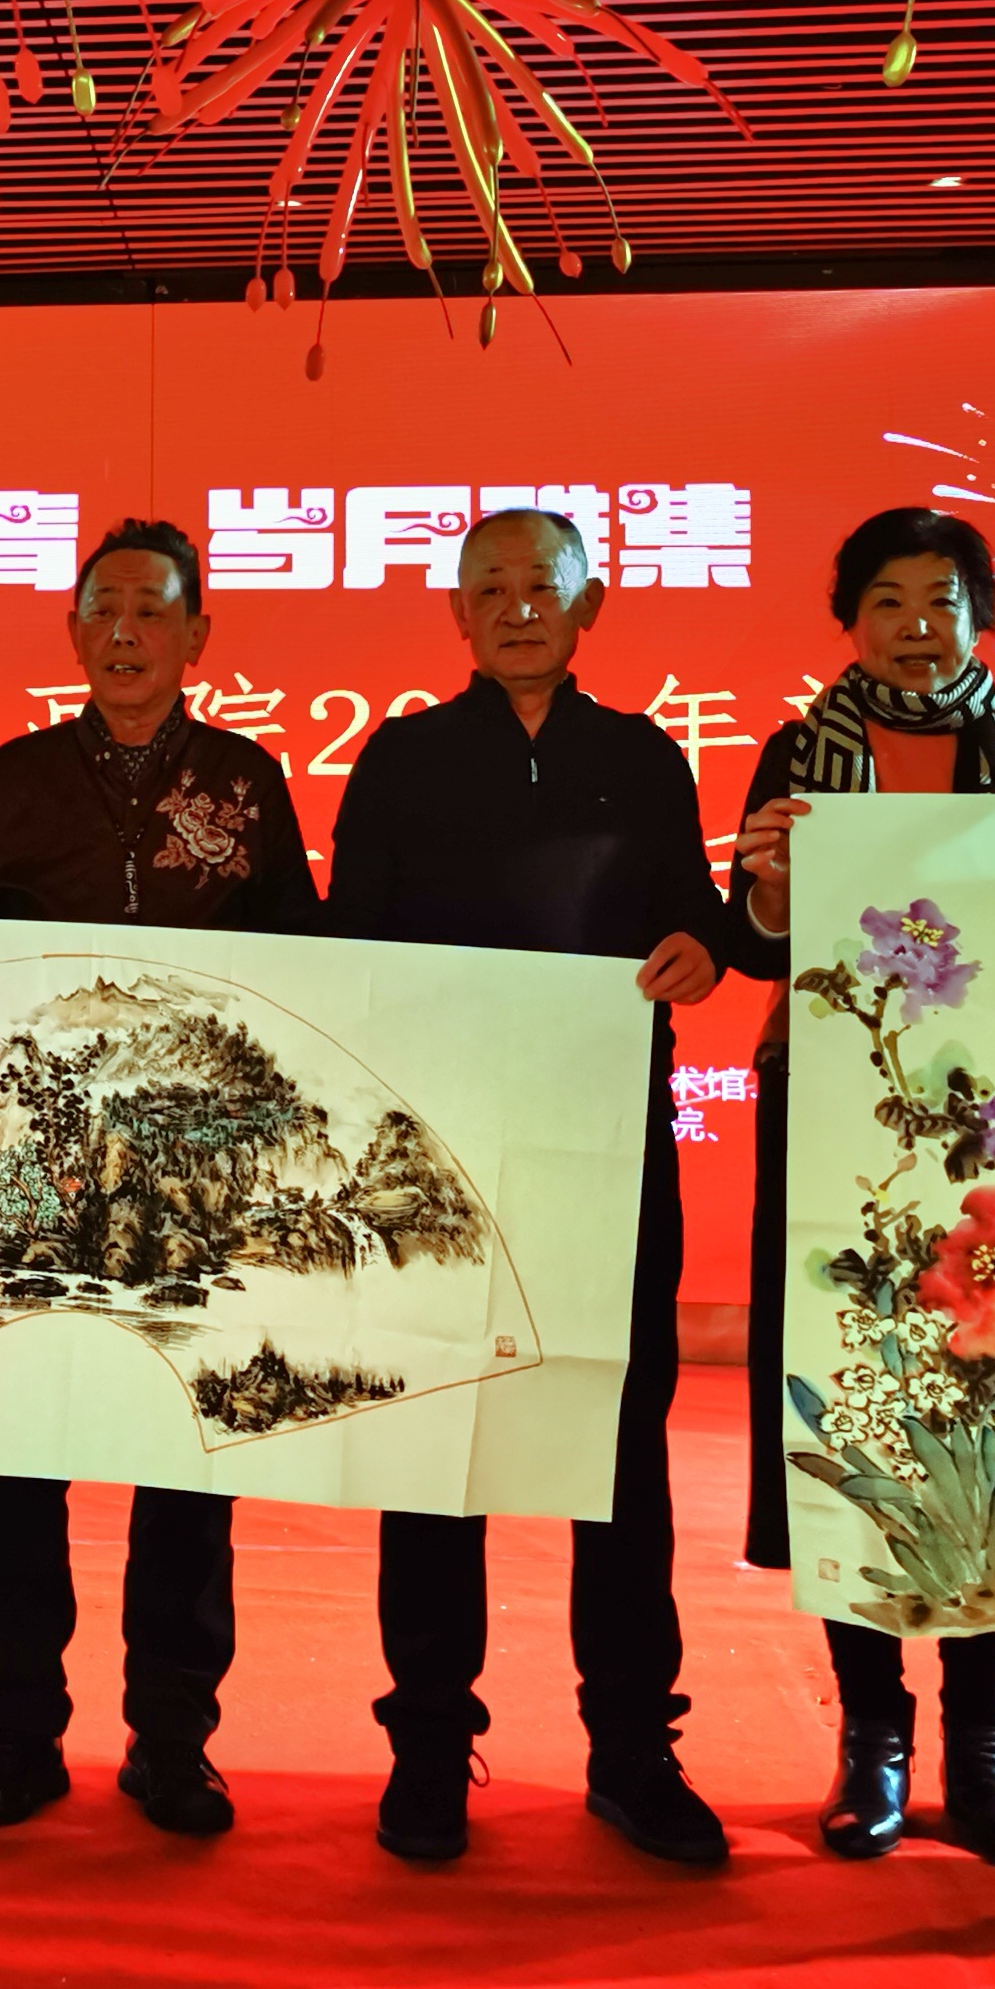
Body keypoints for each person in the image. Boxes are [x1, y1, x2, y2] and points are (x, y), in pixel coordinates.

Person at [322, 505, 732, 1867]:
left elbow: (693, 918)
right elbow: (349, 945)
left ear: (588, 603)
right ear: (456, 613)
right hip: (436, 1162)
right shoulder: (403, 758)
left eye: (540, 586)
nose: (515, 607)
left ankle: (633, 1751)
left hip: (607, 1150)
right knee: (438, 1451)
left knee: (620, 1461)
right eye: (487, 587)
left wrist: (697, 949)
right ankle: (430, 1746)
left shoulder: (644, 756)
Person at [0, 518, 314, 1838]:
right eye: (102, 608)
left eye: (152, 609)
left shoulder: (247, 778)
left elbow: (300, 960)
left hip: (194, 1178)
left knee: (184, 1467)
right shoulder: (18, 775)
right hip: (39, 1172)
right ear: (73, 630)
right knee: (17, 1471)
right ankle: (15, 1738)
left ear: (197, 634)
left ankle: (173, 1745)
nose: (125, 631)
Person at [724, 508, 995, 1868]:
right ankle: (872, 1735)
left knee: (989, 1421)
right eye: (887, 600)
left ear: (981, 620)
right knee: (854, 1408)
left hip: (993, 1138)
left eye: (943, 600)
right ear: (848, 620)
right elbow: (761, 947)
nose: (917, 626)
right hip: (837, 1119)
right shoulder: (799, 755)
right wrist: (767, 892)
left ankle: (985, 1749)